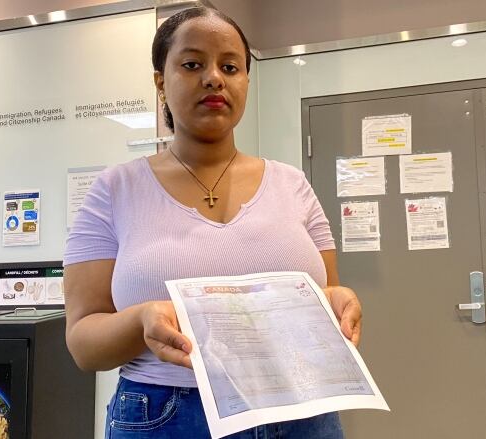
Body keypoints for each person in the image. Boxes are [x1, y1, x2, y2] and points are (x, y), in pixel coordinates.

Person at [63, 6, 362, 438]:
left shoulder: (292, 184)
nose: (214, 78)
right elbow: (83, 345)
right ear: (161, 81)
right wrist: (141, 319)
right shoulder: (115, 190)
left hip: (303, 410)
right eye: (192, 64)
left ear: (245, 80)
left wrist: (338, 300)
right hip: (167, 414)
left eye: (230, 66)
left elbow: (326, 294)